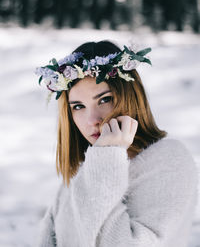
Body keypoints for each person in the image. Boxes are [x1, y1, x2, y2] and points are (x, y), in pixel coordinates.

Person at [35, 40, 198, 247]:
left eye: (104, 100)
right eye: (78, 106)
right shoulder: (84, 168)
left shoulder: (169, 161)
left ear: (130, 97)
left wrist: (107, 159)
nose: (91, 119)